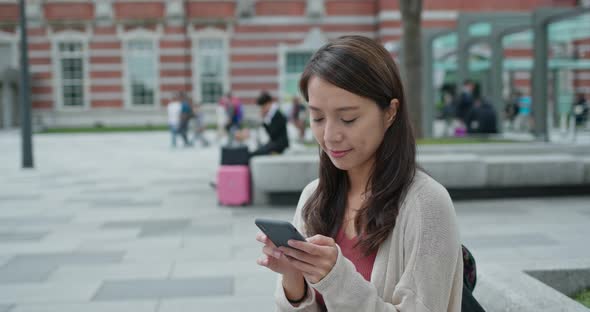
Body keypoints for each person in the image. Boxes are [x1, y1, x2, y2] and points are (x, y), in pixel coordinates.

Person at [255, 36, 463, 312]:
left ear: (390, 112)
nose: (329, 136)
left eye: (348, 118)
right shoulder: (312, 197)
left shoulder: (426, 204)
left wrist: (336, 279)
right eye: (317, 118)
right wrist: (293, 276)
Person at [249, 91, 289, 157]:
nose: (262, 109)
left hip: (280, 145)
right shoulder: (273, 114)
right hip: (275, 143)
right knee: (256, 151)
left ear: (268, 103)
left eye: (263, 107)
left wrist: (264, 120)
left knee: (255, 153)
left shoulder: (278, 115)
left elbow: (272, 134)